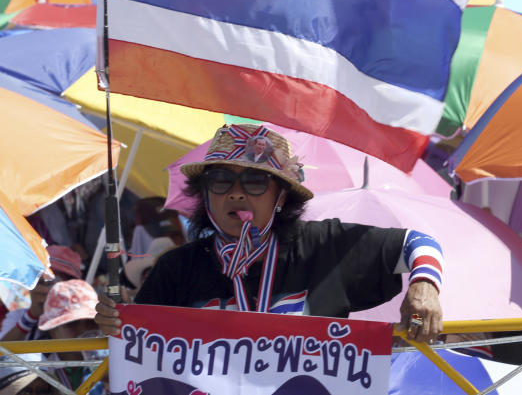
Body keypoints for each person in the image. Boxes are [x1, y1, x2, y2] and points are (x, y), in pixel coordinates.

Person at [95, 124, 444, 343]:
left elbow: (418, 243)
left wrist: (424, 287)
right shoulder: (176, 267)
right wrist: (116, 322)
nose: (235, 192)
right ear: (205, 194)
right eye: (220, 180)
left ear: (281, 196)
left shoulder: (321, 245)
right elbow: (141, 346)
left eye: (254, 180)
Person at [0, 246, 85, 340]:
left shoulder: (84, 318)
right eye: (41, 281)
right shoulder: (18, 317)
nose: (48, 289)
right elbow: (4, 352)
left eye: (55, 282)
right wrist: (31, 316)